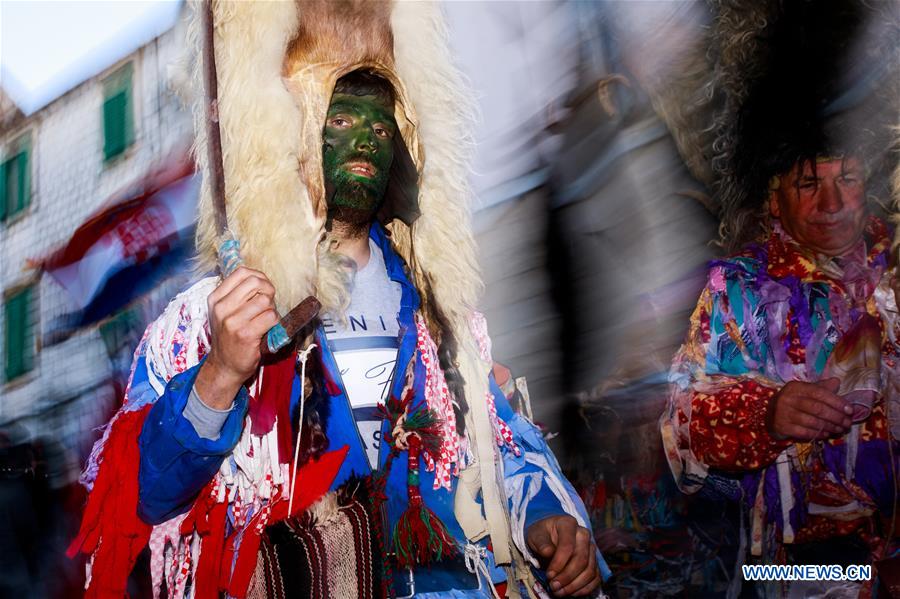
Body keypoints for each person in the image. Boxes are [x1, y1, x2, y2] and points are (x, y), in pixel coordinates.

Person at [68, 3, 608, 598]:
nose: (364, 143)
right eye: (340, 119)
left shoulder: (440, 324)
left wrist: (550, 521)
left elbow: (502, 446)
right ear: (292, 131)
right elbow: (137, 495)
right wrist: (219, 375)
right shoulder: (205, 319)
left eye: (380, 128)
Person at [661, 151, 900, 585]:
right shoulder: (738, 289)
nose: (832, 203)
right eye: (809, 185)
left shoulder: (894, 270)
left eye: (847, 178)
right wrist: (767, 413)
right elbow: (682, 427)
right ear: (775, 198)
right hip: (806, 570)